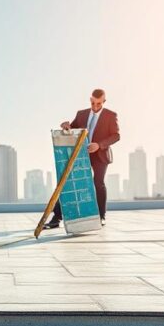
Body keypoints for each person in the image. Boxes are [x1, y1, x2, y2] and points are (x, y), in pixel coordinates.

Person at [45, 88, 120, 228]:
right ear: (90, 99)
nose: (95, 106)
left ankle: (101, 216)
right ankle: (56, 218)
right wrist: (65, 126)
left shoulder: (111, 115)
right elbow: (71, 129)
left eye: (99, 103)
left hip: (100, 154)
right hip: (81, 154)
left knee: (98, 182)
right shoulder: (81, 114)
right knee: (68, 182)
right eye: (93, 103)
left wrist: (99, 145)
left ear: (104, 101)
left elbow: (116, 136)